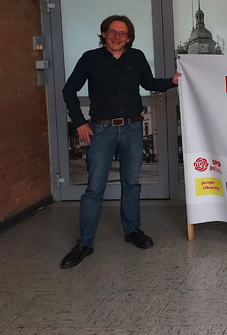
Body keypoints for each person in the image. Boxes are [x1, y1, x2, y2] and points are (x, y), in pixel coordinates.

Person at [60, 15, 181, 269]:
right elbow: (69, 90)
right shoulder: (90, 58)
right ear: (104, 34)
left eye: (122, 33)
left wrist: (171, 82)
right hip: (101, 130)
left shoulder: (136, 57)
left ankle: (132, 230)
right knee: (94, 187)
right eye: (112, 32)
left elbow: (149, 83)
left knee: (131, 183)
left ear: (129, 37)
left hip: (133, 129)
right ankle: (85, 243)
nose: (117, 37)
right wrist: (80, 122)